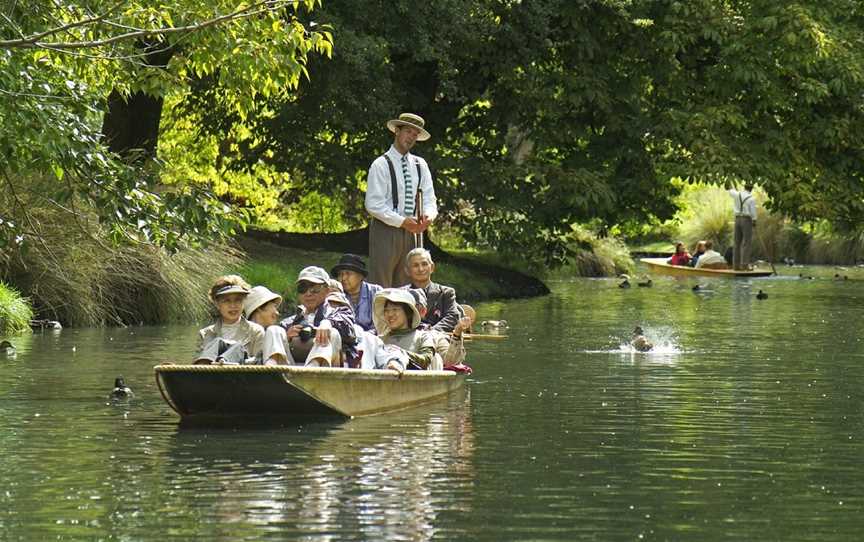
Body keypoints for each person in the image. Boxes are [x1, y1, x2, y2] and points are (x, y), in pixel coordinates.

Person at [365, 113, 438, 287]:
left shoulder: (420, 165)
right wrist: (402, 221)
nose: (411, 137)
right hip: (386, 229)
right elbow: (373, 204)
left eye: (415, 134)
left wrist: (428, 216)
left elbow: (429, 198)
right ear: (397, 131)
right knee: (381, 283)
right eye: (408, 132)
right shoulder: (381, 164)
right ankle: (379, 314)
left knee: (410, 283)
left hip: (413, 231)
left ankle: (411, 314)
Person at [261, 266, 358, 367]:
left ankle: (313, 368)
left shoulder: (340, 312)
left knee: (332, 333)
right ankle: (271, 368)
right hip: (290, 369)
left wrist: (327, 323)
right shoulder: (289, 322)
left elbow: (347, 327)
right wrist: (287, 336)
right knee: (274, 330)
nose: (308, 293)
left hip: (324, 371)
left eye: (314, 288)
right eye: (302, 288)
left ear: (327, 291)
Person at [196, 275, 265, 365]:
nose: (233, 305)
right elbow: (196, 365)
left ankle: (223, 362)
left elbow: (260, 365)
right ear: (217, 304)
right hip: (210, 375)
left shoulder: (256, 331)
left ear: (243, 302)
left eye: (238, 300)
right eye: (227, 301)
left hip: (243, 376)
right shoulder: (205, 334)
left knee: (237, 347)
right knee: (217, 343)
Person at [372, 288, 438, 372]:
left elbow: (426, 360)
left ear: (408, 312)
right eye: (386, 311)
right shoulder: (380, 340)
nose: (390, 314)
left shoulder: (423, 336)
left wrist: (400, 353)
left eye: (395, 309)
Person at [407, 288, 471, 368]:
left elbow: (450, 361)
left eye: (409, 308)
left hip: (421, 376)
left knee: (436, 358)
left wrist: (457, 334)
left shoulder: (433, 335)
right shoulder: (387, 332)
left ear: (423, 311)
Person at [402, 247, 461, 332]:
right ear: (407, 270)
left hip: (438, 338)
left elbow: (452, 317)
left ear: (432, 267)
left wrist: (431, 331)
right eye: (415, 265)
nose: (421, 269)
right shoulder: (401, 294)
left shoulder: (446, 293)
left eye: (424, 264)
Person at [331, 253, 383, 333]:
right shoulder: (337, 295)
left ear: (361, 276)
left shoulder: (376, 292)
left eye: (348, 273)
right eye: (340, 274)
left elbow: (382, 324)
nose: (343, 278)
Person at [729, 183, 757, 270]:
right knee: (746, 243)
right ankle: (744, 265)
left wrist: (731, 185)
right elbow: (753, 212)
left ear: (744, 187)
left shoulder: (737, 194)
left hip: (737, 219)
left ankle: (735, 266)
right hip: (746, 220)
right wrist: (754, 220)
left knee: (737, 243)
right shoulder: (751, 198)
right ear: (751, 189)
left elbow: (730, 191)